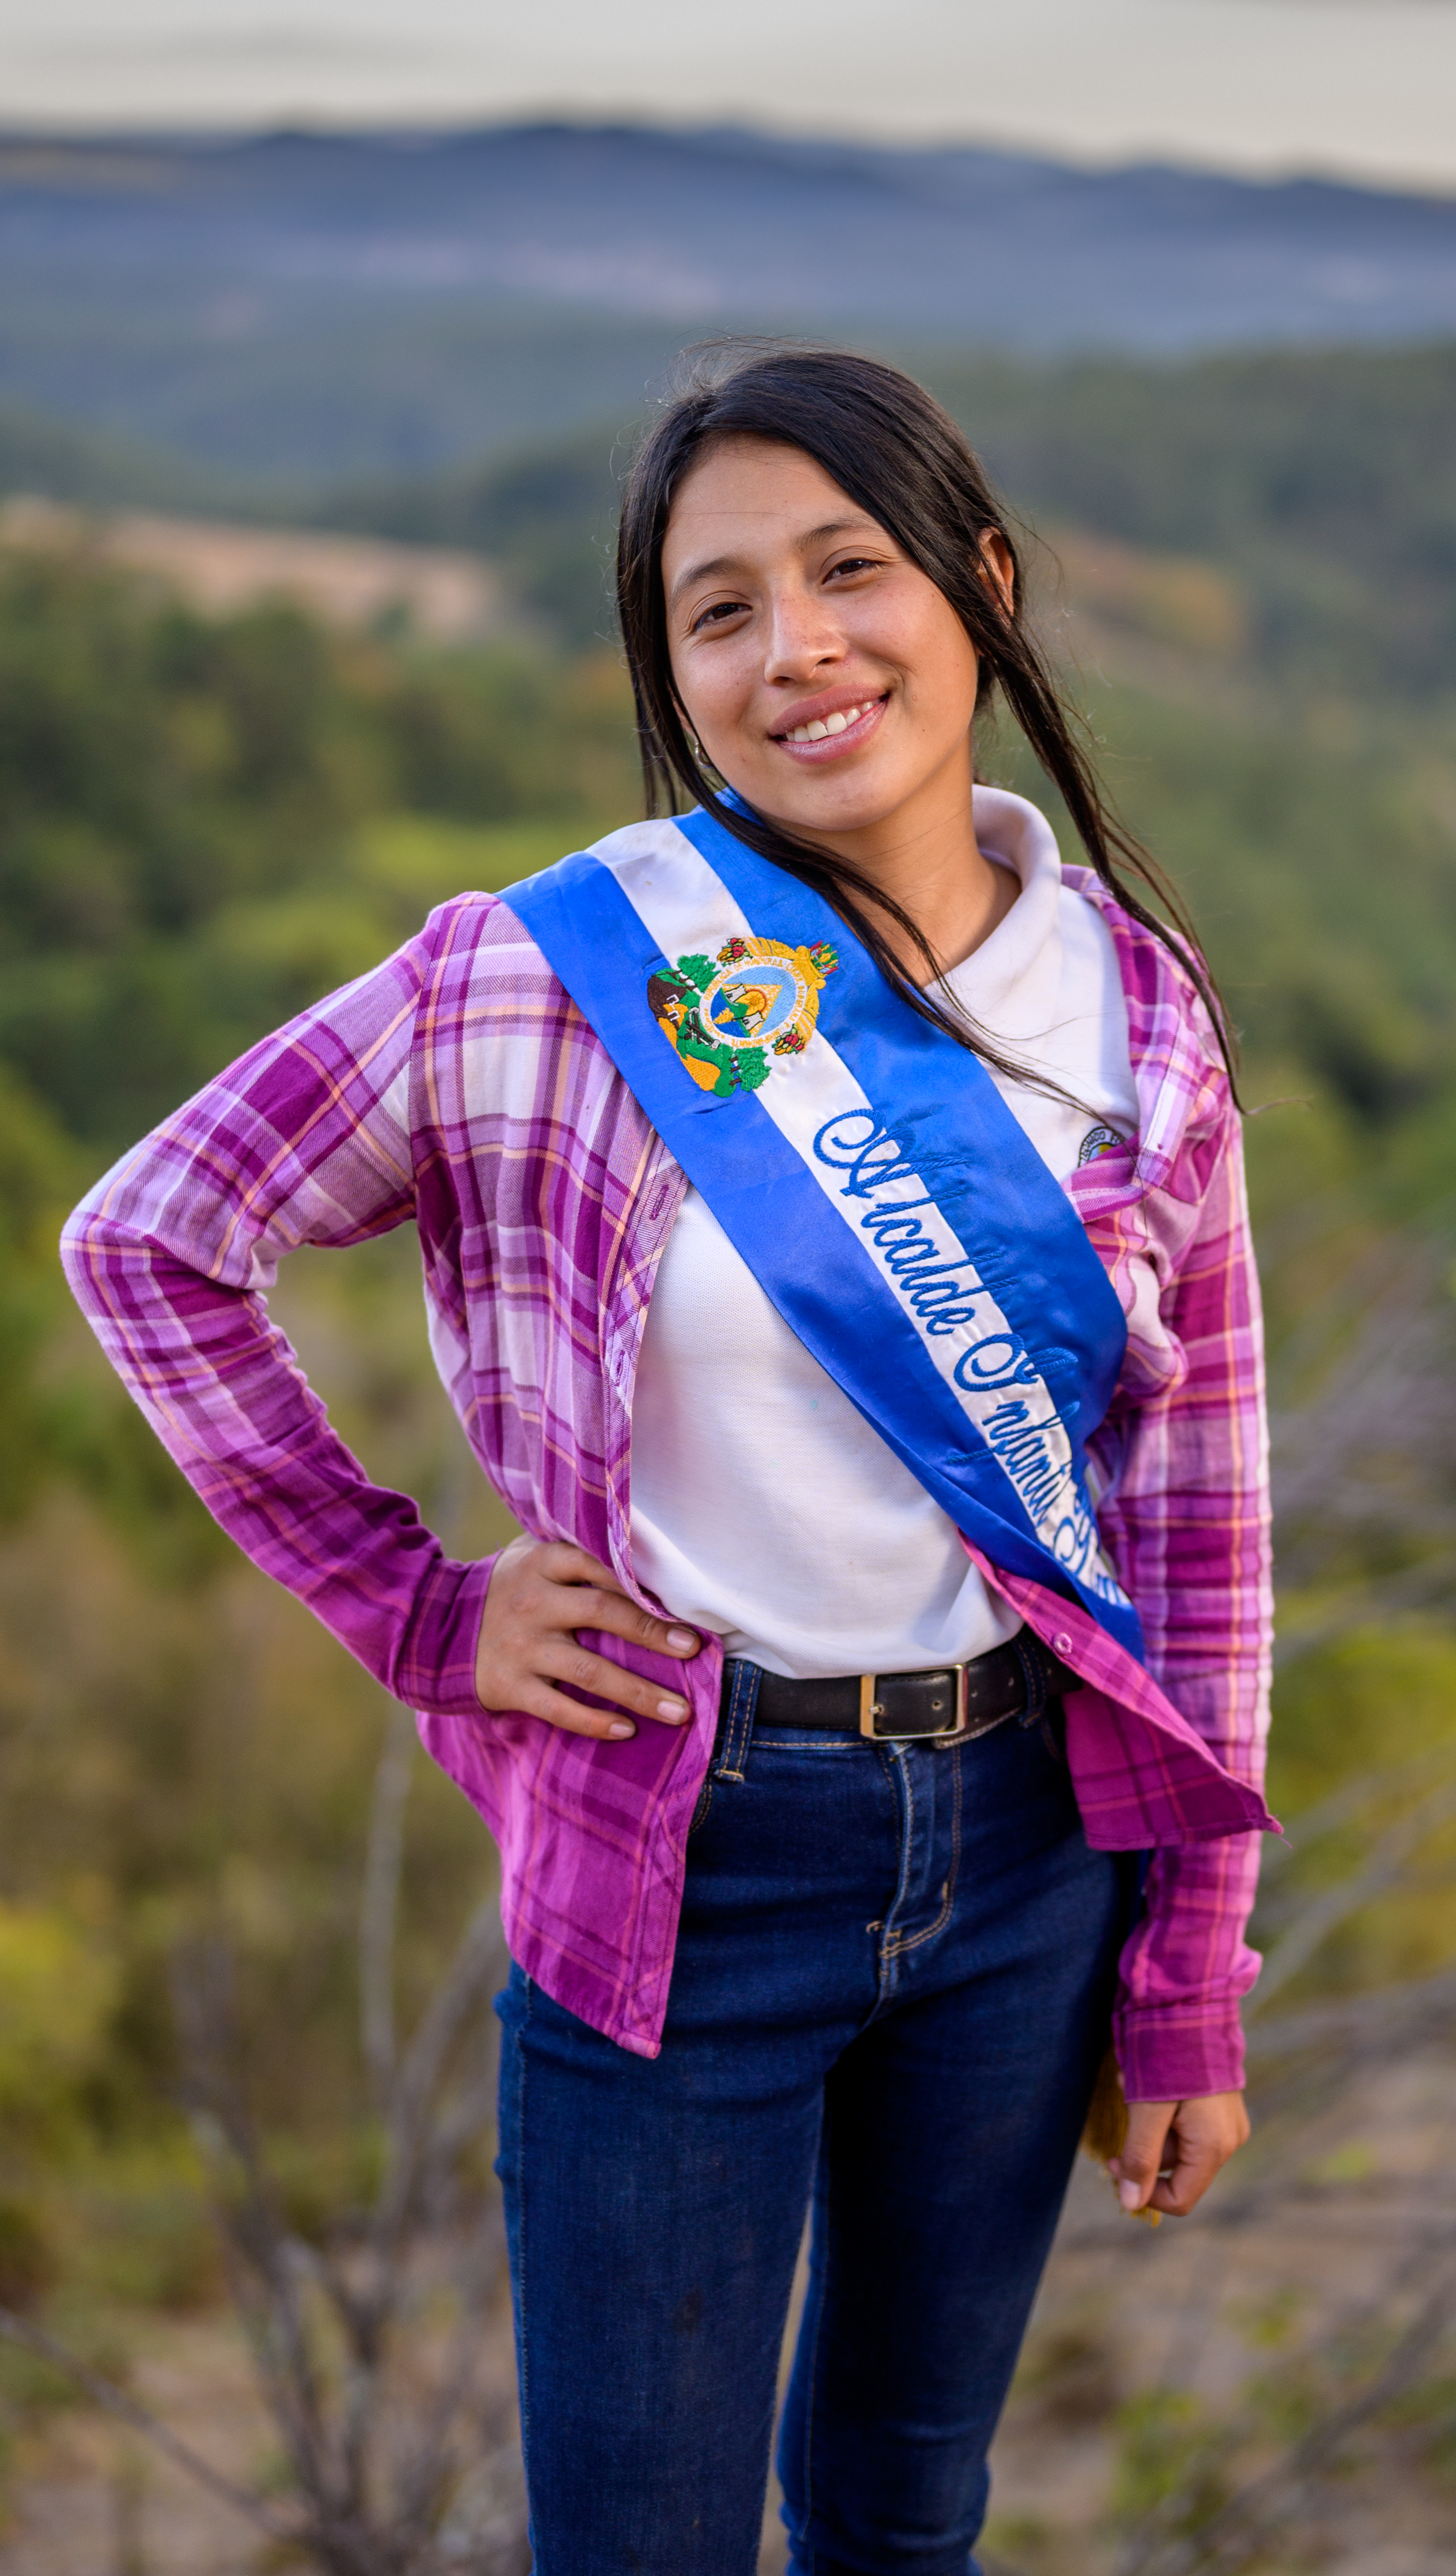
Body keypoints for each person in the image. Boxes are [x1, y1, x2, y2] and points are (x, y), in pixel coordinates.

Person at [62, 349, 1275, 2576]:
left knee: (907, 2508)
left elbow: (1197, 1514)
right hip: (681, 1842)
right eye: (718, 611)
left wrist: (1185, 1959)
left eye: (850, 569)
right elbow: (149, 1237)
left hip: (1025, 1849)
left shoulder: (1141, 1003)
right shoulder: (530, 978)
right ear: (671, 674)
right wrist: (420, 1607)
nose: (797, 648)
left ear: (981, 586)